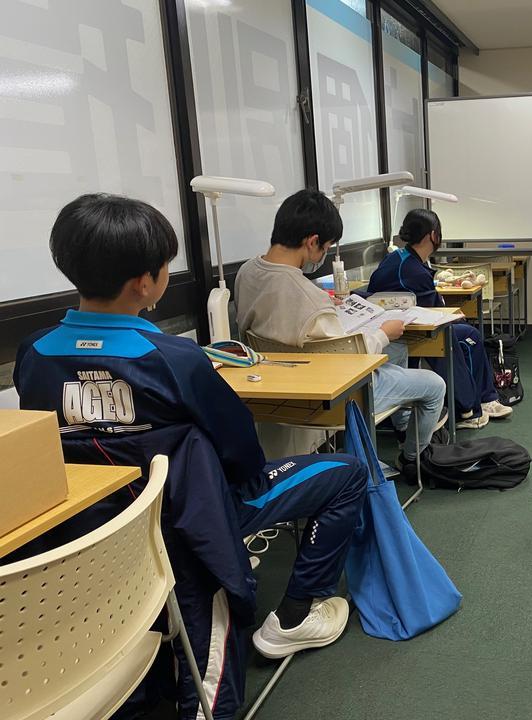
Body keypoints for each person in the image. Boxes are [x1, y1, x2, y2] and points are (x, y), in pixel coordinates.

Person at [14, 194, 369, 718]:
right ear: (146, 282)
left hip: (89, 535)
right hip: (187, 526)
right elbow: (241, 453)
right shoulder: (175, 358)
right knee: (347, 473)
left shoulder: (34, 354)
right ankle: (296, 615)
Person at [233, 190, 446, 472]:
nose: (323, 255)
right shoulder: (308, 297)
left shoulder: (247, 273)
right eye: (325, 248)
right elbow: (346, 359)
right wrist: (383, 332)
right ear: (312, 241)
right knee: (434, 385)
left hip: (274, 381)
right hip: (333, 393)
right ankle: (410, 459)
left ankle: (400, 426)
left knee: (397, 350)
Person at [366, 208, 514, 427]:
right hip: (409, 333)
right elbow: (435, 311)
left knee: (468, 332)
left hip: (400, 327)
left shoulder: (400, 258)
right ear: (433, 236)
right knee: (465, 336)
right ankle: (468, 409)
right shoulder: (412, 269)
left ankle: (485, 399)